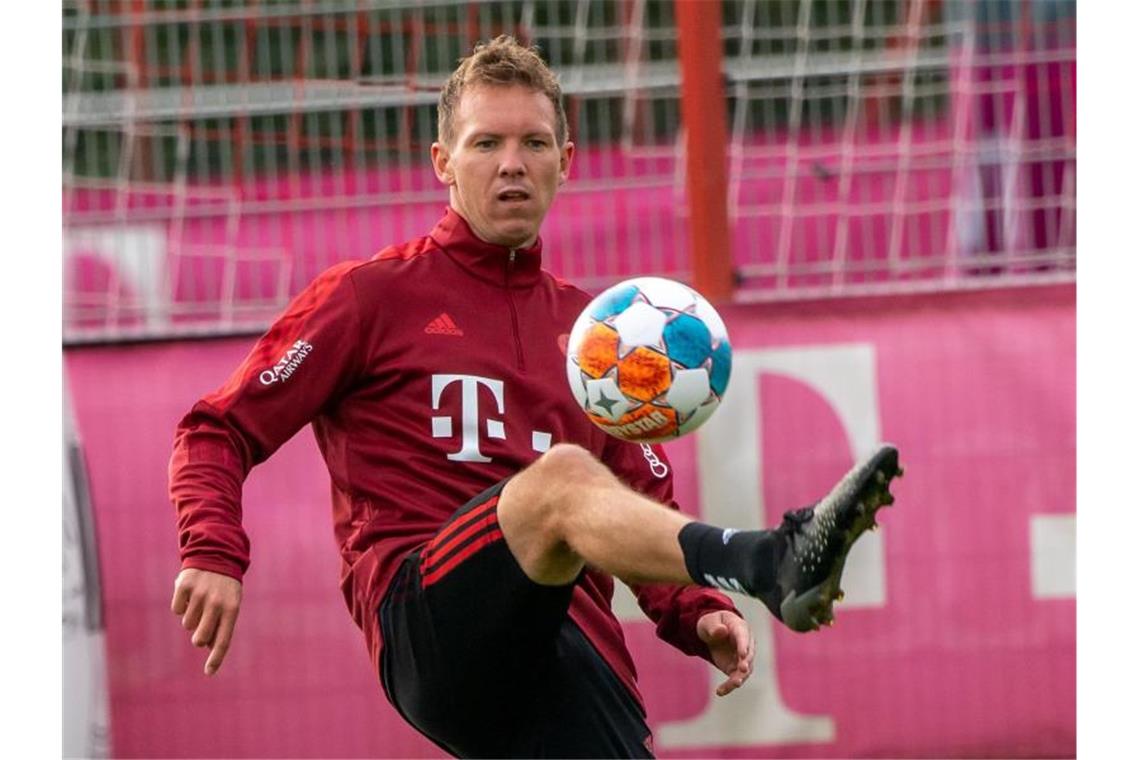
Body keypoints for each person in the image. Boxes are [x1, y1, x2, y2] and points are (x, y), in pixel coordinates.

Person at [168, 35, 902, 758]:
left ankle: (741, 575)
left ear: (566, 162)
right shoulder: (369, 299)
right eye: (486, 144)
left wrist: (698, 612)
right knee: (558, 484)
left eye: (535, 144)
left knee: (574, 497)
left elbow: (639, 503)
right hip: (428, 622)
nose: (512, 164)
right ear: (443, 164)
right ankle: (769, 560)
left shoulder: (598, 339)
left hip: (570, 649)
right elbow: (213, 430)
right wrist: (212, 551)